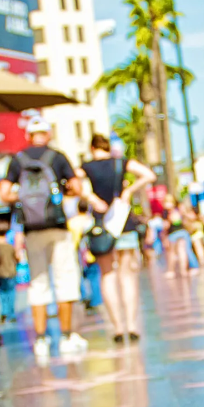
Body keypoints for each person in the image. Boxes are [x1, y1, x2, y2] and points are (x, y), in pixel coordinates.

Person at [0, 124, 86, 352]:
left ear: (28, 135)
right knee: (64, 278)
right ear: (48, 134)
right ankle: (67, 335)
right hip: (57, 226)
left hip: (31, 229)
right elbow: (77, 188)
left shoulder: (18, 160)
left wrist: (26, 198)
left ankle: (40, 339)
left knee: (37, 283)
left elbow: (4, 193)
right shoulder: (57, 157)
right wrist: (60, 192)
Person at [80, 134, 154, 345]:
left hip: (101, 225)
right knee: (127, 276)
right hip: (123, 222)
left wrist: (91, 198)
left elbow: (72, 183)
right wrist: (128, 191)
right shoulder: (121, 163)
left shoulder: (87, 166)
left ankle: (118, 328)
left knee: (107, 275)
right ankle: (131, 325)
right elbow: (148, 175)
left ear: (92, 147)